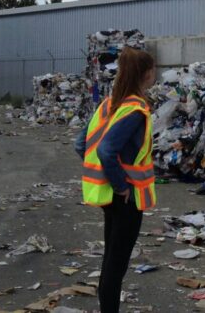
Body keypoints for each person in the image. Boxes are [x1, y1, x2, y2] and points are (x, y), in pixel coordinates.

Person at [74, 47, 157, 312]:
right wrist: (121, 184)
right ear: (145, 74)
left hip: (108, 196)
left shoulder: (108, 105)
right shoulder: (135, 110)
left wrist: (105, 175)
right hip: (126, 197)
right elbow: (106, 149)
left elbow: (80, 144)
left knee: (110, 261)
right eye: (153, 69)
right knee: (116, 265)